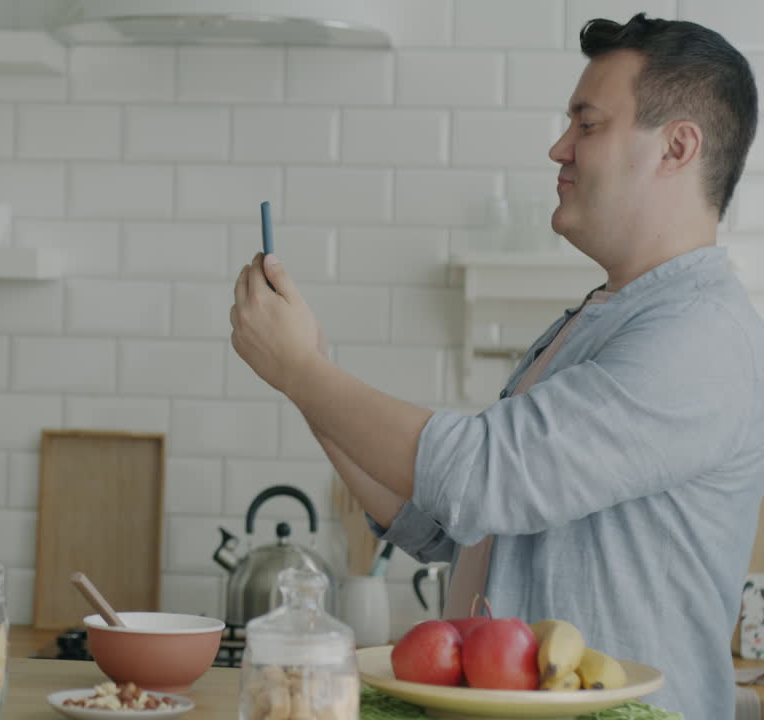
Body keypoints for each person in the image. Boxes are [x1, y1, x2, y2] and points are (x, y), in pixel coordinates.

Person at [230, 13, 762, 719]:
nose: (559, 148)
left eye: (587, 124)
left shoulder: (700, 334)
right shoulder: (597, 319)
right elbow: (445, 523)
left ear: (677, 147)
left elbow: (485, 476)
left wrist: (303, 371)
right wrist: (306, 373)